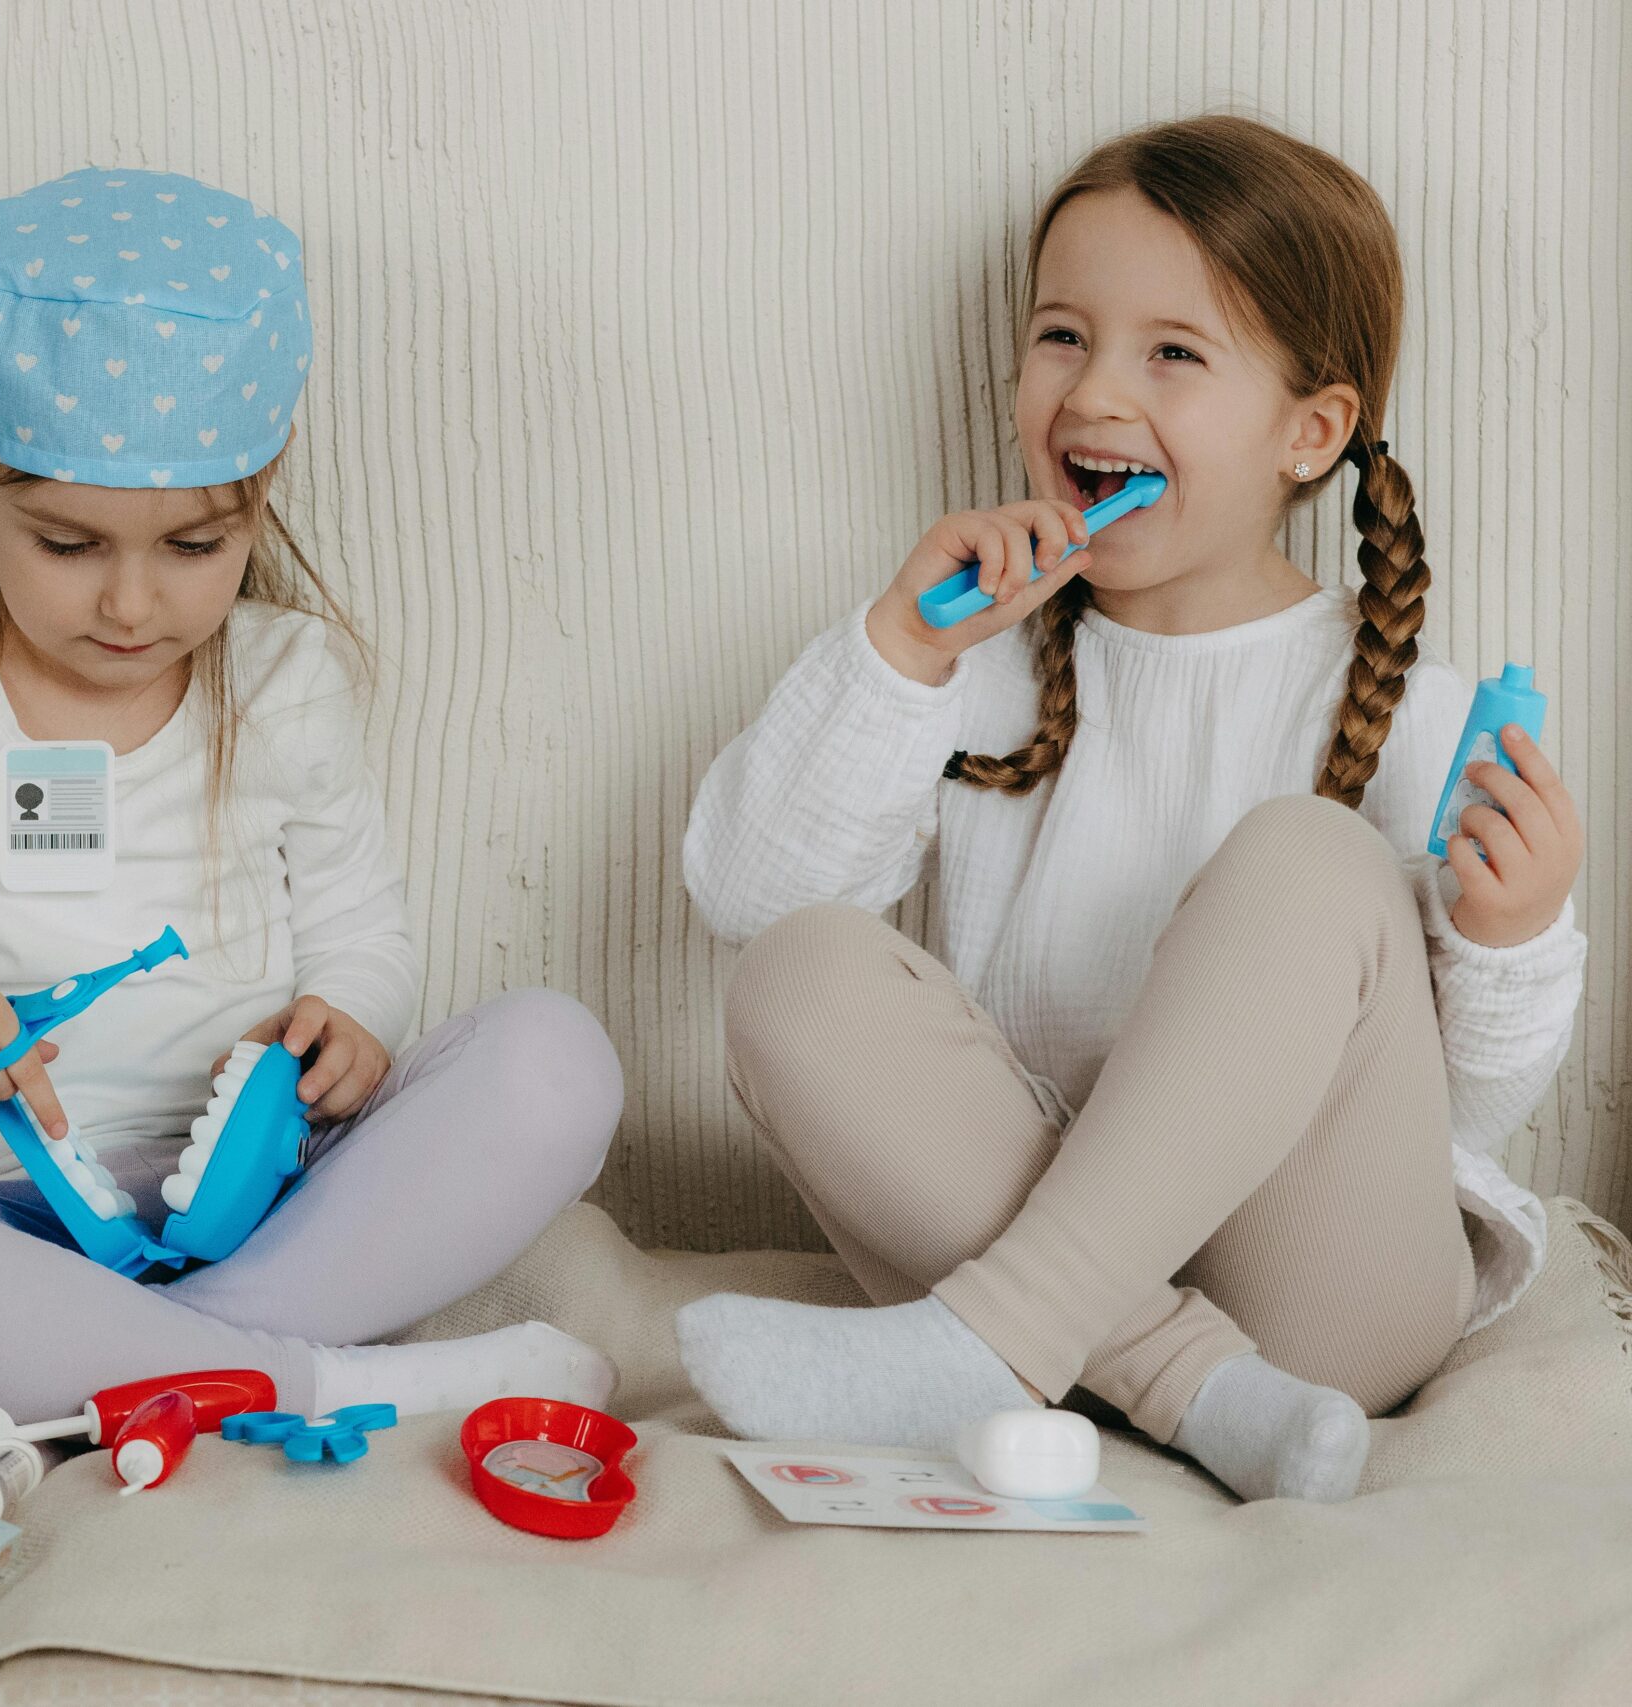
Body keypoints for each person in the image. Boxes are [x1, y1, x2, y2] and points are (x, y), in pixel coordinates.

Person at [676, 117, 1586, 1503]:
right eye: (1062, 336)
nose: (1096, 391)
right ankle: (1196, 1392)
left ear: (1311, 430)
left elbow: (1468, 1098)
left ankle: (1007, 1334)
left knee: (1306, 857)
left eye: (1173, 351)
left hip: (1321, 1300)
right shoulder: (986, 659)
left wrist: (1508, 933)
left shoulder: (1400, 697)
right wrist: (903, 650)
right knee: (792, 974)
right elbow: (744, 891)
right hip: (1049, 1257)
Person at [0, 169, 622, 1427]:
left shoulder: (283, 682)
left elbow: (361, 934)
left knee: (553, 1058)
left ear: (263, 490)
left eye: (195, 547)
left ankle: (159, 1364)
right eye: (67, 543)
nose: (132, 608)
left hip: (275, 1208)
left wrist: (351, 1020)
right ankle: (321, 1376)